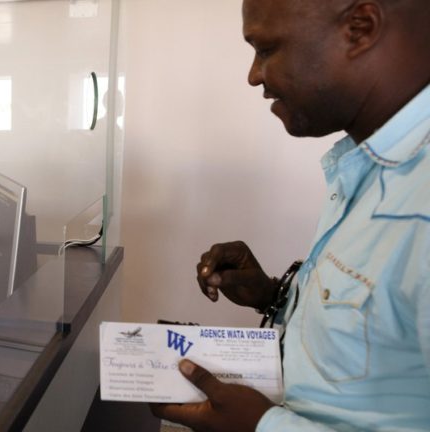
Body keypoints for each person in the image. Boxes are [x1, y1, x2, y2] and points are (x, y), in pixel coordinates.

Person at [150, 0, 430, 430]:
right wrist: (272, 297)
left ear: (360, 29)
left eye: (265, 49)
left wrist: (262, 427)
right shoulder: (371, 165)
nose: (253, 75)